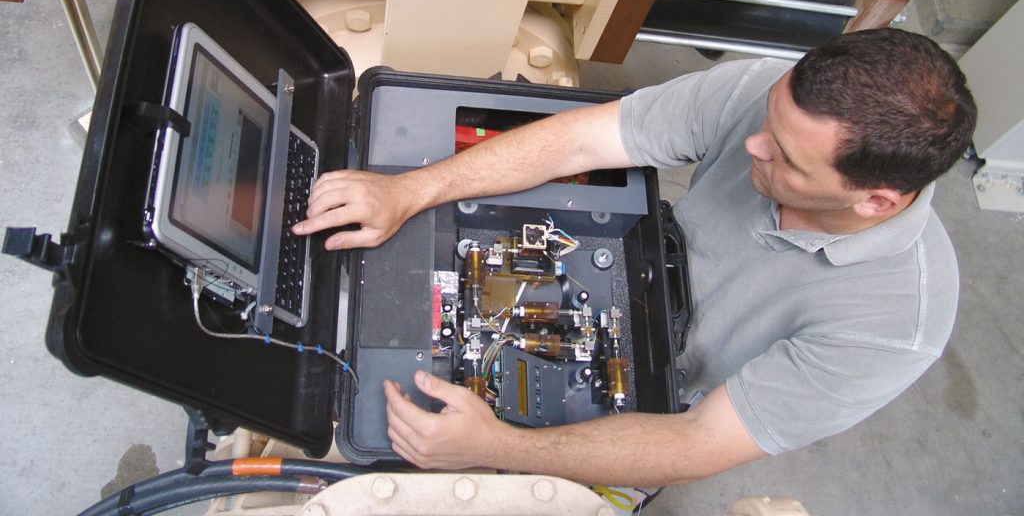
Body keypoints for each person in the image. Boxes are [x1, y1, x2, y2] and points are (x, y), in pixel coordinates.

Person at [292, 28, 976, 488]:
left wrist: (497, 448)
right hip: (638, 257)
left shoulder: (892, 325)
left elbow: (700, 442)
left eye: (786, 160)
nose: (753, 146)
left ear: (875, 202)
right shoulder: (774, 101)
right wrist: (411, 190)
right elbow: (582, 142)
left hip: (666, 401)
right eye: (769, 120)